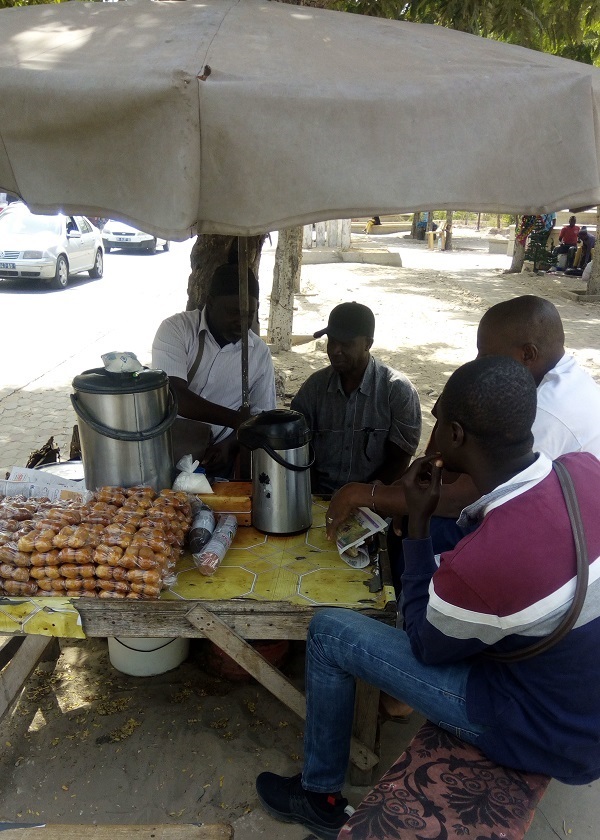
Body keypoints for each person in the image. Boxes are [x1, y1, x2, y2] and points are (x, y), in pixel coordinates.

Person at [255, 356, 600, 839]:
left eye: (438, 421)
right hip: (582, 705)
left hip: (542, 732)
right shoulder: (584, 469)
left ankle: (318, 795)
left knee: (329, 632)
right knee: (447, 540)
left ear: (454, 435)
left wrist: (417, 525)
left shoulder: (487, 558)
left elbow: (424, 643)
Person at [152, 263, 276, 474]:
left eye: (249, 314)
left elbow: (260, 416)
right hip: (169, 451)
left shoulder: (259, 353)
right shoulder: (177, 329)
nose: (241, 322)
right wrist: (237, 420)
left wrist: (230, 444)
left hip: (218, 456)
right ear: (210, 302)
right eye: (233, 312)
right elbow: (175, 396)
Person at [290, 302, 421, 494]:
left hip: (373, 501)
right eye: (332, 341)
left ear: (368, 344)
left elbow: (400, 459)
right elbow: (297, 449)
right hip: (318, 497)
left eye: (345, 344)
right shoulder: (313, 388)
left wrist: (363, 497)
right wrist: (314, 497)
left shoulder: (398, 391)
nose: (335, 350)